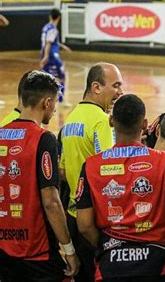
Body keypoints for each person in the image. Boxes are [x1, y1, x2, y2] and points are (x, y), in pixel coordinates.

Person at [76, 94, 165, 282]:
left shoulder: (91, 165)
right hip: (157, 264)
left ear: (111, 121)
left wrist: (107, 244)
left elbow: (84, 225)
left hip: (111, 265)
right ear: (145, 124)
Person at [0, 70, 79, 281]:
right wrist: (69, 250)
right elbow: (51, 201)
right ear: (46, 102)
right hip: (37, 248)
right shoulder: (44, 139)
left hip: (4, 248)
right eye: (54, 103)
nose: (54, 109)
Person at [60, 62, 123, 282]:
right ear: (96, 87)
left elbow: (63, 170)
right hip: (93, 219)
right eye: (115, 86)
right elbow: (108, 169)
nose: (120, 92)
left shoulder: (70, 118)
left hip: (72, 215)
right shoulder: (101, 121)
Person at [40, 8, 71, 103]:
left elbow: (48, 42)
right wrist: (46, 56)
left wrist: (62, 46)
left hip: (46, 54)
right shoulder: (53, 29)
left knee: (47, 78)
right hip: (52, 57)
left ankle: (44, 100)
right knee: (61, 77)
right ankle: (61, 100)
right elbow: (48, 43)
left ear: (50, 16)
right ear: (59, 18)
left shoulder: (45, 27)